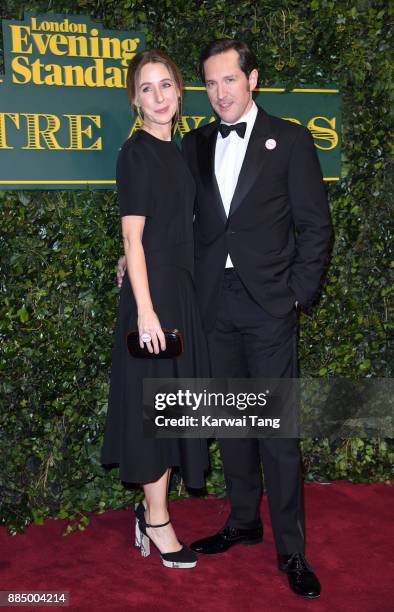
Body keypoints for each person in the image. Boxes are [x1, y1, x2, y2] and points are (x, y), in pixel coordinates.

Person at [117, 39, 332, 597]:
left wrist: (295, 296)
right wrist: (127, 253)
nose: (220, 93)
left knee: (276, 431)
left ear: (252, 79)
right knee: (232, 422)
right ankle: (242, 522)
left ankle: (292, 550)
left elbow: (316, 227)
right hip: (210, 303)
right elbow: (163, 213)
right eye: (210, 84)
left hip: (268, 305)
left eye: (229, 80)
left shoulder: (290, 139)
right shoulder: (191, 144)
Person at [101, 49, 209, 570]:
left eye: (165, 85)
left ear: (179, 90)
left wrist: (131, 258)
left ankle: (151, 513)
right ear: (134, 99)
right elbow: (133, 233)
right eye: (147, 88)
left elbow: (165, 223)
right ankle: (158, 521)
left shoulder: (182, 150)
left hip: (180, 294)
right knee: (153, 413)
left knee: (172, 407)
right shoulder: (135, 153)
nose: (159, 96)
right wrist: (145, 311)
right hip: (153, 300)